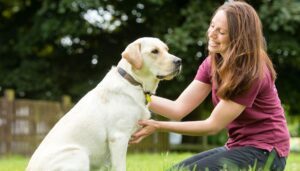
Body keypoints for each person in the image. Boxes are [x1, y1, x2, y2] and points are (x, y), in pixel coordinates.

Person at [129, 1, 290, 171]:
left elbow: (212, 126)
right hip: (237, 146)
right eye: (212, 26)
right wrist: (135, 93)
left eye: (221, 32)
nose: (211, 34)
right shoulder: (212, 62)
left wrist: (158, 126)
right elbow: (178, 109)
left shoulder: (250, 72)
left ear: (239, 38)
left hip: (266, 152)